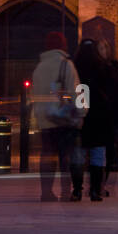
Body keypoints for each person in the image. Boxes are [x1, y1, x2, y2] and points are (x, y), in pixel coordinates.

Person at [31, 31, 83, 201]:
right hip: (62, 118)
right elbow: (76, 92)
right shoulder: (66, 65)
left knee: (47, 155)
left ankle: (46, 192)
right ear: (63, 45)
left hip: (44, 118)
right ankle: (66, 191)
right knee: (65, 157)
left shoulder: (39, 68)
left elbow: (34, 94)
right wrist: (81, 113)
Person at [73, 39, 116, 201]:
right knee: (98, 154)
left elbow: (78, 92)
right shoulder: (103, 68)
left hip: (82, 117)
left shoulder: (76, 68)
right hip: (100, 118)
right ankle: (95, 190)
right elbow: (111, 92)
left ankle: (77, 189)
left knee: (78, 155)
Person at [97, 39, 118, 197]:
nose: (103, 51)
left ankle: (103, 183)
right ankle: (98, 184)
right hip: (98, 114)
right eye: (100, 48)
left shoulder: (116, 67)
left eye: (104, 47)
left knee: (110, 151)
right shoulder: (94, 68)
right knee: (98, 150)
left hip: (113, 115)